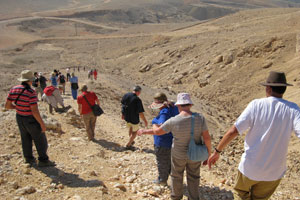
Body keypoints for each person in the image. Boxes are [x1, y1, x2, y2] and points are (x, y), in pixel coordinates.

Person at [208, 71, 300, 200]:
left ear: (268, 88)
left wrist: (217, 151)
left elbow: (233, 131)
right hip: (273, 173)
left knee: (240, 194)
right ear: (284, 89)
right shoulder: (293, 109)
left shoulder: (256, 105)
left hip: (250, 168)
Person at [137, 93, 212, 200]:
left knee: (176, 176)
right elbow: (207, 138)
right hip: (195, 153)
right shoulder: (200, 118)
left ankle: (176, 197)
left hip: (178, 154)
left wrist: (153, 123)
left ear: (178, 106)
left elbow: (157, 132)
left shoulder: (174, 120)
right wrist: (208, 154)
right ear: (190, 105)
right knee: (194, 177)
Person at [5, 70, 55, 167]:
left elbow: (7, 106)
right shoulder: (31, 92)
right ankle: (43, 160)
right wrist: (42, 124)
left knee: (25, 138)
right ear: (30, 80)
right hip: (30, 119)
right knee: (40, 139)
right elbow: (34, 111)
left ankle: (28, 159)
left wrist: (17, 107)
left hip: (19, 117)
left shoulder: (14, 89)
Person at [150, 92, 179, 186]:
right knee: (170, 161)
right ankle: (172, 179)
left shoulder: (164, 112)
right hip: (172, 140)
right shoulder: (174, 107)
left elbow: (161, 126)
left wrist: (154, 123)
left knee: (162, 161)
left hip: (162, 141)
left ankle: (162, 180)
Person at [121, 86, 148, 150]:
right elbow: (140, 113)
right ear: (138, 92)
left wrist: (122, 114)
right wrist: (145, 121)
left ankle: (131, 140)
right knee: (135, 131)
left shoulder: (126, 95)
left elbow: (122, 105)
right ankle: (128, 145)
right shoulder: (137, 99)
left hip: (127, 117)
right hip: (134, 118)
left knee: (130, 127)